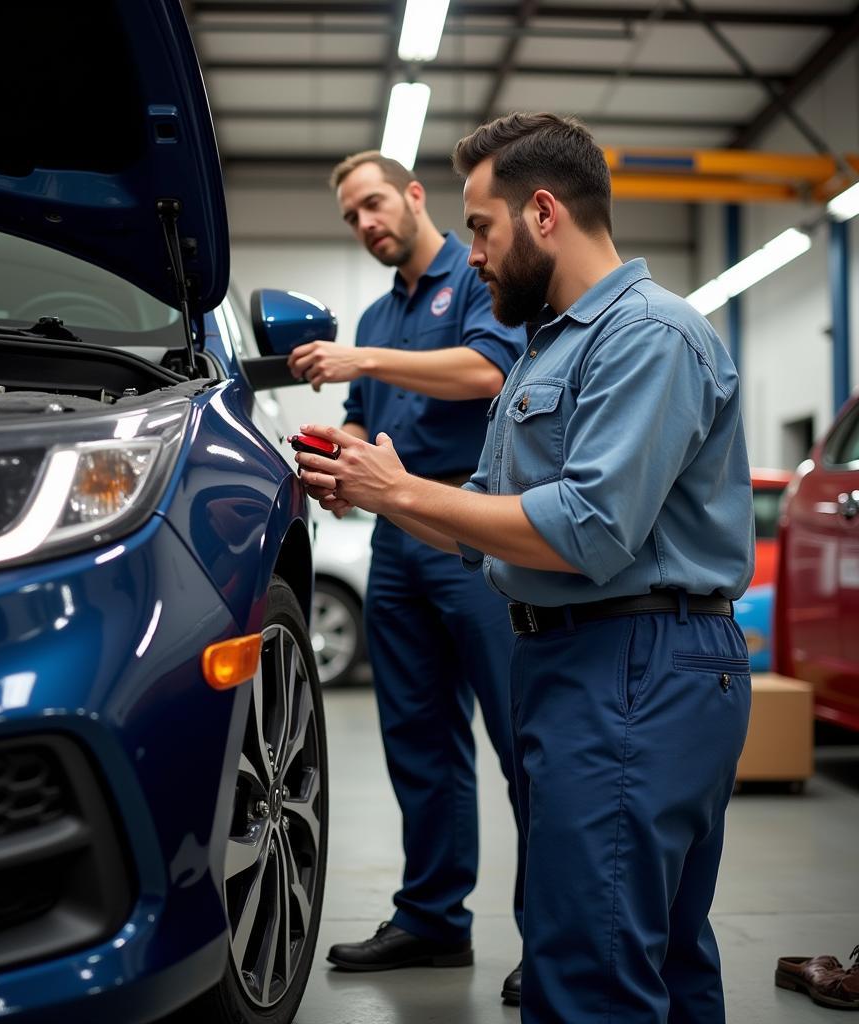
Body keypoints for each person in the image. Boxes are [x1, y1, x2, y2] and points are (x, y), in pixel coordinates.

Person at [295, 114, 754, 1024]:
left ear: (543, 212)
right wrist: (383, 493)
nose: (473, 255)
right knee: (646, 955)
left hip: (634, 665)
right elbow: (494, 524)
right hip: (583, 661)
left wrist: (402, 491)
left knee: (593, 967)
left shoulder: (647, 337)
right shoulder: (556, 344)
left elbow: (586, 529)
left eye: (482, 227)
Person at [288, 151, 527, 1003]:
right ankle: (432, 921)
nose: (366, 224)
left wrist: (366, 360)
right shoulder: (376, 312)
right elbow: (364, 421)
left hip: (472, 536)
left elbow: (491, 372)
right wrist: (337, 460)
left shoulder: (474, 276)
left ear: (414, 196)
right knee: (419, 744)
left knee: (522, 743)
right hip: (396, 548)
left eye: (375, 204)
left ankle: (556, 935)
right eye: (352, 216)